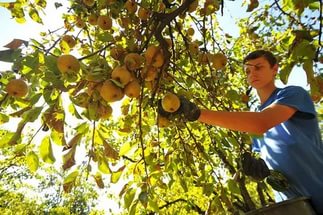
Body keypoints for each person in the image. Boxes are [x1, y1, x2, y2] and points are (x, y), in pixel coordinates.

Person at [158, 50, 323, 214]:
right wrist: (260, 170)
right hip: (293, 206)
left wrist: (197, 113)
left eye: (259, 67)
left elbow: (261, 122)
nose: (252, 73)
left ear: (275, 69)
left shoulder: (292, 94)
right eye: (248, 70)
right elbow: (269, 158)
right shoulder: (252, 116)